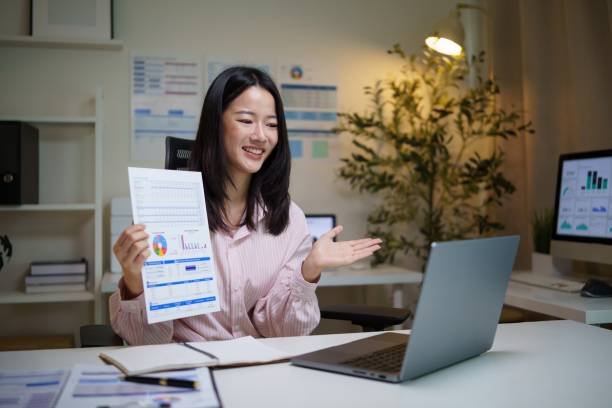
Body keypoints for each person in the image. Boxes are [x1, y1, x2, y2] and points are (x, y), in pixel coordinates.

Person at [110, 66, 382, 345]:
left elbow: (286, 332)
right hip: (191, 369)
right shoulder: (167, 212)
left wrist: (308, 271)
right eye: (246, 120)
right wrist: (134, 281)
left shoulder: (289, 218)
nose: (261, 136)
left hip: (259, 370)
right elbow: (145, 342)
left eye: (272, 124)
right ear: (215, 124)